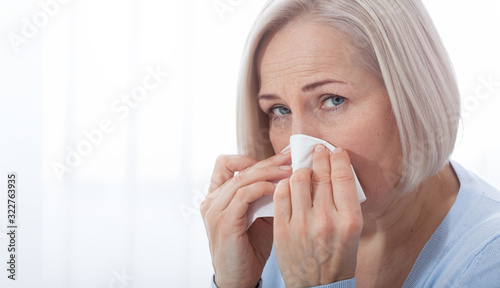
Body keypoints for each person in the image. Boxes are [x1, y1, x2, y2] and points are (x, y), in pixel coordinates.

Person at [200, 0, 500, 287]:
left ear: (412, 96)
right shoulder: (285, 232)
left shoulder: (488, 261)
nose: (300, 146)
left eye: (333, 100)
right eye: (280, 110)